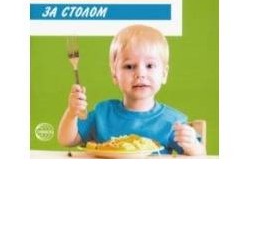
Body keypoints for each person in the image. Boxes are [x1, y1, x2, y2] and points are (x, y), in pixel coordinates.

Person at [57, 24, 205, 155]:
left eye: (150, 66)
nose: (140, 74)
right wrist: (72, 113)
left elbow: (201, 155)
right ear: (115, 75)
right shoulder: (102, 114)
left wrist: (192, 145)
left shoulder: (172, 122)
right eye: (129, 66)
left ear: (164, 74)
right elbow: (67, 140)